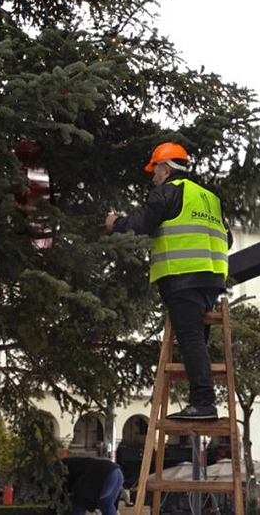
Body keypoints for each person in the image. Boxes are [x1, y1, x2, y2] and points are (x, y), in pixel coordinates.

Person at [105, 142, 229, 420]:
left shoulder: (166, 192)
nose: (153, 176)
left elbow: (139, 225)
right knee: (196, 340)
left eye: (154, 170)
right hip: (211, 279)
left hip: (182, 277)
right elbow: (228, 238)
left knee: (191, 339)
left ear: (165, 167)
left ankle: (204, 403)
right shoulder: (210, 198)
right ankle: (201, 400)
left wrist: (115, 224)